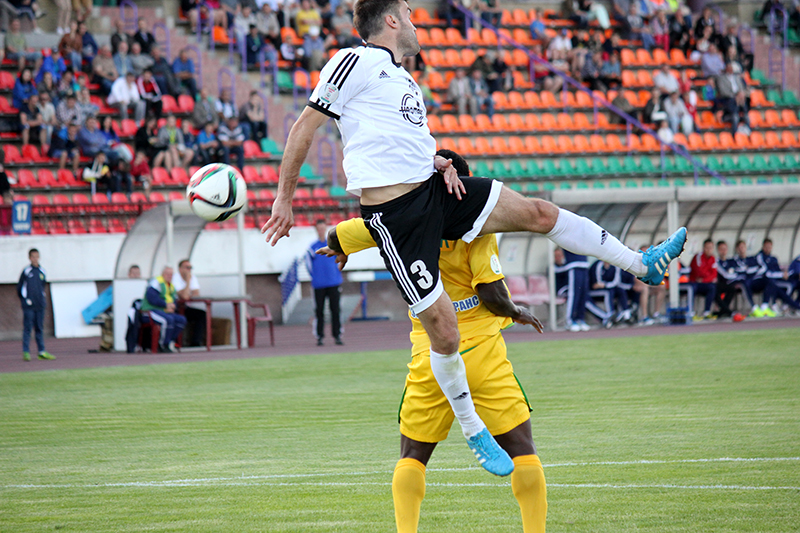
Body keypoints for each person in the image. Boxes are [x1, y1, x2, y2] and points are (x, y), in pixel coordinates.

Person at [263, 0, 687, 477]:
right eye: (409, 12)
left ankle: (642, 264)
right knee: (444, 332)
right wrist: (284, 199)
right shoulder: (353, 60)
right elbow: (304, 126)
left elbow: (397, 144)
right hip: (397, 217)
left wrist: (439, 162)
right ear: (391, 20)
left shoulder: (403, 79)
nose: (417, 21)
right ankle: (472, 428)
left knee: (539, 212)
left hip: (435, 191)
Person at [323, 158, 547, 533]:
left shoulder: (395, 218)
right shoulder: (477, 227)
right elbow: (491, 294)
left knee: (412, 457)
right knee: (523, 451)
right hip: (482, 356)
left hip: (431, 356)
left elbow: (336, 235)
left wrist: (342, 248)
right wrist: (518, 311)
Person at [306, 219, 344, 346]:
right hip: (319, 284)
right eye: (319, 229)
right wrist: (315, 276)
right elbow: (308, 264)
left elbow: (341, 258)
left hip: (333, 282)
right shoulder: (312, 247)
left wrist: (336, 273)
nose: (321, 231)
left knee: (335, 310)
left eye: (323, 228)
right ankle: (319, 336)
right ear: (316, 230)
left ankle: (337, 335)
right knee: (319, 311)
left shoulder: (333, 245)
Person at [17, 248, 55, 361]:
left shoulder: (42, 271)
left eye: (37, 256)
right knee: (28, 328)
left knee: (39, 328)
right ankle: (26, 352)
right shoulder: (26, 271)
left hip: (40, 305)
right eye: (33, 257)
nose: (35, 259)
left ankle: (41, 351)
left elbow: (42, 286)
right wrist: (25, 300)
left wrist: (42, 299)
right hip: (29, 306)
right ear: (29, 258)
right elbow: (20, 288)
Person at [140, 266, 187, 353]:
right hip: (150, 311)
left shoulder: (171, 285)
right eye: (167, 274)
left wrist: (173, 307)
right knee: (168, 320)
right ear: (162, 274)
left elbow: (173, 299)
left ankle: (170, 342)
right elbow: (152, 298)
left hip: (164, 311)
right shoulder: (156, 282)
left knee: (181, 320)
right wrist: (166, 305)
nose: (169, 276)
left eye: (171, 274)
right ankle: (162, 344)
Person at [750, 238, 800, 317]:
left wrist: (784, 274)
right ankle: (783, 306)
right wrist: (781, 274)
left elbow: (777, 270)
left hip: (775, 280)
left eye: (769, 247)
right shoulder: (760, 257)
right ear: (763, 247)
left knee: (793, 283)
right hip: (763, 281)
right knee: (788, 285)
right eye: (766, 247)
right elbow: (767, 273)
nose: (768, 249)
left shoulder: (773, 258)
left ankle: (792, 306)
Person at [554, 248, 593, 331]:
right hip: (574, 265)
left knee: (583, 294)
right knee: (573, 294)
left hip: (584, 265)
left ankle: (580, 318)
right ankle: (570, 320)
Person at [173, 259, 206, 347]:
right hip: (175, 307)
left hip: (185, 307)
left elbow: (196, 293)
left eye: (190, 268)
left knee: (202, 314)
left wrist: (186, 292)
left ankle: (196, 342)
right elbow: (184, 297)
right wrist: (188, 281)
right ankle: (177, 342)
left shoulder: (193, 277)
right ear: (180, 269)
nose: (189, 270)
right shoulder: (175, 278)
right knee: (179, 317)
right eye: (187, 267)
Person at [589, 260, 634, 325]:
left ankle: (626, 313)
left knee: (620, 290)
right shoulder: (598, 265)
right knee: (608, 292)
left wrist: (605, 285)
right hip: (594, 292)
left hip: (609, 288)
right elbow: (596, 284)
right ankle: (611, 315)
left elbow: (616, 282)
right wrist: (605, 285)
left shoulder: (615, 266)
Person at [715, 62, 750, 135]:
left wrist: (740, 94)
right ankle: (734, 134)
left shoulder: (737, 78)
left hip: (739, 98)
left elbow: (741, 88)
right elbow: (723, 92)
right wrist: (735, 96)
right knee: (735, 117)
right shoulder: (721, 79)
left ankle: (748, 131)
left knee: (746, 116)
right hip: (728, 99)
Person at [689, 238, 717, 319]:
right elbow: (699, 271)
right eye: (707, 248)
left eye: (710, 248)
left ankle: (707, 312)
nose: (709, 250)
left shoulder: (713, 258)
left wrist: (705, 279)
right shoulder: (698, 257)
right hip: (695, 282)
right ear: (703, 248)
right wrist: (708, 275)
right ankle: (691, 312)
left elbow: (714, 274)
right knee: (692, 288)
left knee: (712, 287)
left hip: (704, 282)